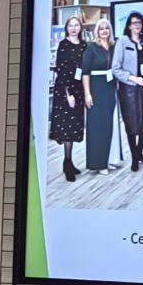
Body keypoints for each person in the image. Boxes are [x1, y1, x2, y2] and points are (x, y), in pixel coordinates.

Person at [111, 11, 143, 171]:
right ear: (129, 26)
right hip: (129, 89)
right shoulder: (122, 42)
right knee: (131, 124)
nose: (137, 25)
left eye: (139, 22)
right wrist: (133, 78)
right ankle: (135, 157)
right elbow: (116, 68)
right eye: (134, 23)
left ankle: (139, 153)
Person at [50, 16, 88, 182]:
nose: (73, 28)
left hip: (79, 89)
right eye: (70, 26)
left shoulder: (84, 45)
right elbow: (61, 69)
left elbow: (86, 68)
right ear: (67, 28)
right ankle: (67, 162)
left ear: (80, 28)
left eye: (76, 25)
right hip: (65, 90)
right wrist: (68, 94)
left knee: (73, 127)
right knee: (67, 126)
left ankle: (70, 161)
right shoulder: (63, 45)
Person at [81, 19, 118, 173]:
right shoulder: (91, 48)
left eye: (106, 28)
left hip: (109, 89)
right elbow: (85, 73)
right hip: (96, 89)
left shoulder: (114, 47)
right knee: (96, 127)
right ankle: (97, 164)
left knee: (108, 126)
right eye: (101, 29)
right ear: (97, 31)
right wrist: (87, 94)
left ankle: (106, 160)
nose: (104, 31)